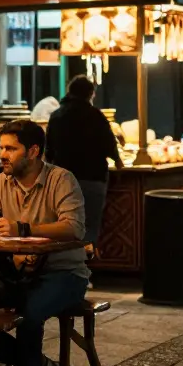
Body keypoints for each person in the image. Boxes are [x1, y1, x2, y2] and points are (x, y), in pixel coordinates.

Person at [0, 119, 88, 366]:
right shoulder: (1, 181)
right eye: (1, 148)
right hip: (18, 272)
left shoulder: (61, 179)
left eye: (11, 149)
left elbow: (74, 227)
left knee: (30, 312)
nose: (2, 155)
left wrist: (21, 228)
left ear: (34, 151)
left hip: (64, 273)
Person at [45, 75, 122, 244]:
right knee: (89, 225)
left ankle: (67, 261)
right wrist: (118, 161)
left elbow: (48, 151)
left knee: (65, 223)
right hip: (92, 178)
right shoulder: (95, 115)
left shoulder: (57, 116)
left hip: (63, 180)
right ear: (90, 94)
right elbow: (109, 143)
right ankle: (86, 262)